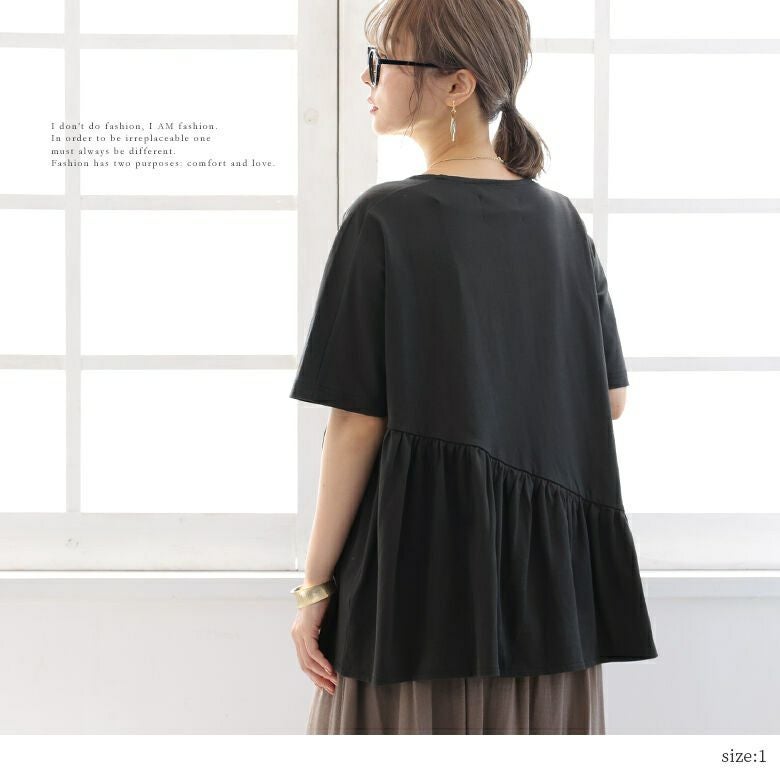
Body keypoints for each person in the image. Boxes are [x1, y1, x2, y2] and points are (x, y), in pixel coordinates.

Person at [289, 0, 658, 735]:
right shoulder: (562, 222)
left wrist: (313, 588)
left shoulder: (384, 219)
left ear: (458, 84)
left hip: (419, 576)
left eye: (381, 62)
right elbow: (610, 398)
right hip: (549, 590)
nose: (367, 79)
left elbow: (356, 423)